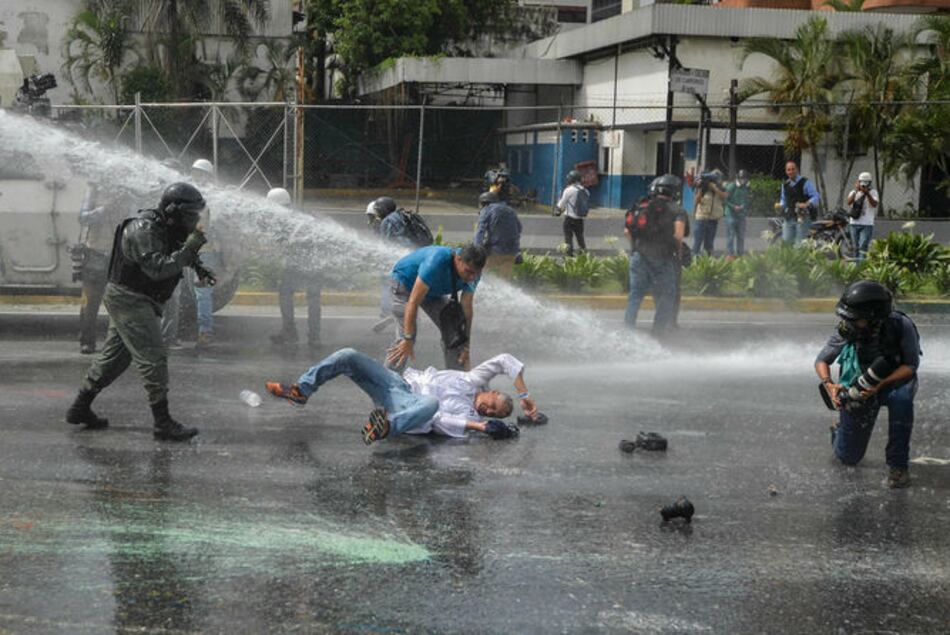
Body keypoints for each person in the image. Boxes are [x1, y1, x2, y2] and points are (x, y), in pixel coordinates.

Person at [65, 182, 214, 441]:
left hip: (139, 298)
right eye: (189, 215)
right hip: (130, 299)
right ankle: (162, 422)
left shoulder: (168, 227)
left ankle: (80, 407)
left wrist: (199, 268)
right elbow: (158, 268)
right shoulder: (142, 229)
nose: (193, 221)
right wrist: (191, 247)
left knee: (115, 358)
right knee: (153, 356)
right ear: (173, 212)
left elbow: (177, 249)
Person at [265, 348, 537, 444]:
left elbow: (439, 422)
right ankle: (302, 390)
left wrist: (479, 426)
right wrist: (523, 394)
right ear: (491, 391)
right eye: (493, 406)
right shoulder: (472, 380)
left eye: (494, 415)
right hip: (396, 384)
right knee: (348, 356)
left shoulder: (468, 416)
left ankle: (385, 427)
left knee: (431, 406)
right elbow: (504, 360)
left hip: (411, 408)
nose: (489, 412)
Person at [814, 280, 921, 488]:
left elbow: (911, 366)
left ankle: (898, 467)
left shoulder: (901, 325)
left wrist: (880, 385)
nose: (849, 322)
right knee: (849, 457)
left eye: (856, 319)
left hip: (894, 381)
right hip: (859, 385)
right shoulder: (847, 328)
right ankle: (838, 433)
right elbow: (821, 360)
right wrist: (830, 384)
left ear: (875, 319)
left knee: (902, 401)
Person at [385, 244, 488, 373]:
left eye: (476, 273)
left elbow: (466, 309)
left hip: (432, 291)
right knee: (407, 337)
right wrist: (408, 338)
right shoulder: (436, 261)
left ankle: (457, 379)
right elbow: (413, 302)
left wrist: (466, 346)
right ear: (458, 259)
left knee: (456, 333)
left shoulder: (474, 272)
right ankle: (385, 379)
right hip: (404, 285)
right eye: (468, 271)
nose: (472, 277)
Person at [161, 158, 217, 349]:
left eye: (200, 174)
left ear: (207, 177)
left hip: (203, 252)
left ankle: (205, 334)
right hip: (189, 250)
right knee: (187, 293)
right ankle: (176, 333)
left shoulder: (208, 198)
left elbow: (202, 227)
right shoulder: (190, 195)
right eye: (195, 173)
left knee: (202, 294)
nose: (196, 177)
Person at [623, 174, 688, 335]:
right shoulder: (677, 210)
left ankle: (627, 331)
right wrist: (678, 254)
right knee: (667, 295)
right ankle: (658, 332)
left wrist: (635, 248)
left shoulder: (642, 205)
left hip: (639, 256)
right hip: (662, 258)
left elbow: (627, 231)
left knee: (635, 296)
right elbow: (679, 236)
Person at [74, 183, 131, 354]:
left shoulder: (127, 190)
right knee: (90, 302)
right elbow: (83, 218)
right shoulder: (94, 190)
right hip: (95, 254)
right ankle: (87, 340)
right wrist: (104, 210)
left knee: (120, 302)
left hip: (119, 254)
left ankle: (117, 343)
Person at [268, 187, 322, 351]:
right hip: (315, 263)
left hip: (297, 263)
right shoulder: (303, 213)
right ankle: (314, 337)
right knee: (313, 299)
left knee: (285, 293)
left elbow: (282, 240)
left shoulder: (284, 216)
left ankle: (290, 332)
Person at [474, 190, 522, 280]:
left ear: (484, 203)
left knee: (478, 272)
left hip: (495, 251)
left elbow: (480, 231)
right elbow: (519, 228)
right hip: (512, 253)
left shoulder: (487, 209)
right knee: (504, 281)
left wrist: (477, 250)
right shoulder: (511, 210)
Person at [779, 160, 820, 245]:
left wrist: (807, 204)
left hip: (803, 217)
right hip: (789, 216)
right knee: (786, 241)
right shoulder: (785, 185)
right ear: (786, 171)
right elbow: (783, 199)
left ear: (797, 170)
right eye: (788, 170)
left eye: (793, 169)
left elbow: (815, 196)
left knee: (800, 244)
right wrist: (781, 205)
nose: (791, 171)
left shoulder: (805, 182)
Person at [554, 170, 590, 257]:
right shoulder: (585, 191)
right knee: (580, 238)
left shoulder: (569, 190)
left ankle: (569, 256)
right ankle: (584, 256)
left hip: (569, 218)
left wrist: (558, 211)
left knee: (568, 238)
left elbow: (561, 204)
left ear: (572, 179)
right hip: (580, 219)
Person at [691, 170, 726, 257]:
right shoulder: (703, 189)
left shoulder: (720, 189)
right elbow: (697, 201)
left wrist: (714, 188)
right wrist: (700, 189)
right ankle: (694, 259)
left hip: (713, 219)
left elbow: (724, 196)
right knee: (697, 242)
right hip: (701, 218)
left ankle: (707, 260)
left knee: (709, 243)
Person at [847, 172, 879, 263]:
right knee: (855, 247)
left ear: (870, 183)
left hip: (867, 224)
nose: (864, 185)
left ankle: (861, 267)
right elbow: (849, 202)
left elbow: (874, 204)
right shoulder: (854, 192)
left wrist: (867, 193)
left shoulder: (873, 192)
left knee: (863, 247)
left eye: (866, 183)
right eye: (862, 182)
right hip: (854, 223)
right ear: (858, 182)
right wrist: (856, 191)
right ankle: (856, 267)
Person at [723, 169, 751, 258]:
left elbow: (747, 199)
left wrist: (744, 206)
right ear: (738, 178)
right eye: (741, 178)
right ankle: (730, 255)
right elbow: (725, 199)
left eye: (745, 178)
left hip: (741, 215)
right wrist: (733, 207)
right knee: (731, 236)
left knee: (741, 236)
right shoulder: (731, 186)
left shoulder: (746, 187)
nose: (743, 180)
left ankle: (740, 255)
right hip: (731, 215)